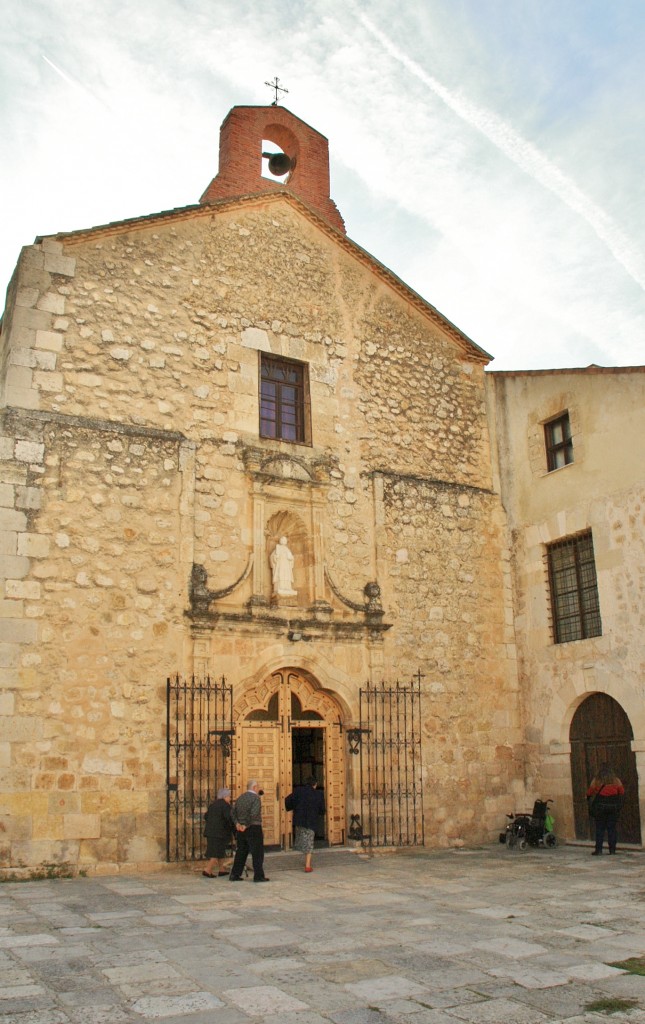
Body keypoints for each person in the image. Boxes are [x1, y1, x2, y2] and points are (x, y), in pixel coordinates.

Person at [229, 780, 270, 882]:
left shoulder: (240, 798)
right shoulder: (255, 798)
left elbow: (232, 812)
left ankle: (235, 874)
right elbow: (254, 814)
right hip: (253, 828)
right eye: (258, 787)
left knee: (241, 851)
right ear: (254, 787)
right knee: (257, 852)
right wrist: (245, 825)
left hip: (241, 830)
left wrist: (238, 824)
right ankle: (258, 876)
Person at [285, 776, 325, 873]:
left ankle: (303, 856)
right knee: (309, 842)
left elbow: (288, 800)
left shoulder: (298, 791)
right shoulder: (318, 794)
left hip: (299, 820)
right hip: (311, 821)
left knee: (303, 839)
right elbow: (322, 809)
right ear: (315, 784)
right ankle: (307, 865)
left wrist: (292, 808)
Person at [587, 764, 625, 855]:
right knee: (612, 829)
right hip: (613, 808)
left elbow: (589, 793)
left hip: (600, 808)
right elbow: (622, 792)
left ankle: (599, 850)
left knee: (600, 829)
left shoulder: (596, 781)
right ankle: (612, 850)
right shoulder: (616, 781)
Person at [202, 787, 236, 878]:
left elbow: (206, 816)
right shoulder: (225, 805)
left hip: (210, 832)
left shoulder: (213, 805)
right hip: (220, 833)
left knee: (220, 851)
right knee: (215, 852)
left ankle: (222, 870)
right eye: (229, 796)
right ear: (225, 796)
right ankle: (208, 870)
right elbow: (229, 818)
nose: (230, 798)